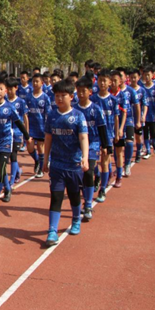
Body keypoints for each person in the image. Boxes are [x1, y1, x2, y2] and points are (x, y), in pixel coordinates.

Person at [42, 79, 89, 246]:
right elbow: (48, 138)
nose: (60, 99)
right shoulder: (52, 115)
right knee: (56, 196)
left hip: (74, 165)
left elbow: (83, 137)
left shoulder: (78, 116)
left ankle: (76, 219)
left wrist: (85, 157)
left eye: (63, 95)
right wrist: (45, 159)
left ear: (71, 96)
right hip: (57, 165)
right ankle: (52, 230)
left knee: (74, 195)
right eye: (57, 96)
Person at [0, 79, 30, 208]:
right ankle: (7, 189)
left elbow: (19, 122)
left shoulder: (9, 107)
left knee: (0, 167)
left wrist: (27, 136)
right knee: (0, 167)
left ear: (5, 91)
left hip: (6, 141)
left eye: (1, 89)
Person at [74, 76, 109, 220]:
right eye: (78, 91)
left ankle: (88, 204)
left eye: (84, 91)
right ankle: (82, 199)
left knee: (88, 172)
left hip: (93, 144)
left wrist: (105, 146)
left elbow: (102, 128)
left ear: (90, 92)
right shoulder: (74, 109)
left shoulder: (96, 109)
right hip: (76, 146)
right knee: (78, 176)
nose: (81, 94)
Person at [91, 70, 119, 203]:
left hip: (107, 135)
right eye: (100, 80)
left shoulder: (113, 100)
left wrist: (117, 133)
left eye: (104, 80)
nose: (102, 83)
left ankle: (102, 189)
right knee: (93, 162)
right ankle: (97, 176)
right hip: (94, 136)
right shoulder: (93, 99)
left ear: (109, 83)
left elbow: (116, 117)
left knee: (105, 162)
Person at [26, 73, 52, 178]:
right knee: (30, 147)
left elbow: (48, 114)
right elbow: (25, 114)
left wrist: (47, 128)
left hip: (41, 127)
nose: (35, 83)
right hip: (31, 127)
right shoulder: (28, 97)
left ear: (42, 83)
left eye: (37, 81)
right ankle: (36, 160)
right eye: (33, 81)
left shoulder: (45, 98)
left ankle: (41, 169)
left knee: (41, 148)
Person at [6, 77, 29, 187]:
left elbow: (25, 118)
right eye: (8, 89)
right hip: (6, 132)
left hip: (17, 132)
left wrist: (26, 134)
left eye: (11, 89)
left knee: (13, 154)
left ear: (16, 88)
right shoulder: (4, 101)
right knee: (8, 155)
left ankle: (11, 180)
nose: (9, 91)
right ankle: (18, 171)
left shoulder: (21, 102)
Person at [117, 67, 140, 178]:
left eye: (121, 76)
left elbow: (137, 106)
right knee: (118, 146)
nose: (120, 78)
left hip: (129, 120)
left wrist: (138, 121)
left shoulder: (131, 91)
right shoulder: (113, 92)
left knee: (129, 142)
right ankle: (119, 167)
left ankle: (127, 164)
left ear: (126, 77)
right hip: (116, 121)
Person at [109, 70, 128, 188]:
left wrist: (120, 129)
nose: (113, 83)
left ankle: (119, 176)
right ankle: (109, 173)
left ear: (120, 81)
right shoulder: (107, 94)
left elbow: (124, 113)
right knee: (107, 153)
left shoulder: (123, 95)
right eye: (111, 80)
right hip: (108, 128)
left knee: (119, 152)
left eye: (115, 80)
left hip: (119, 126)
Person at [142, 66, 155, 158]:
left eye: (148, 75)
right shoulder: (142, 88)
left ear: (152, 75)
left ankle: (154, 143)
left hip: (153, 113)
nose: (147, 77)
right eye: (145, 75)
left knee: (153, 132)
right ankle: (148, 151)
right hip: (144, 114)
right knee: (145, 132)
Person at [129, 68, 147, 163]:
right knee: (129, 139)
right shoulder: (127, 90)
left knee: (138, 137)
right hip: (129, 118)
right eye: (131, 77)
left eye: (135, 77)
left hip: (138, 118)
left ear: (138, 78)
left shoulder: (142, 90)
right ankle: (129, 157)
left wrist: (142, 117)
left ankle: (138, 152)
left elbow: (144, 104)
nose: (133, 79)